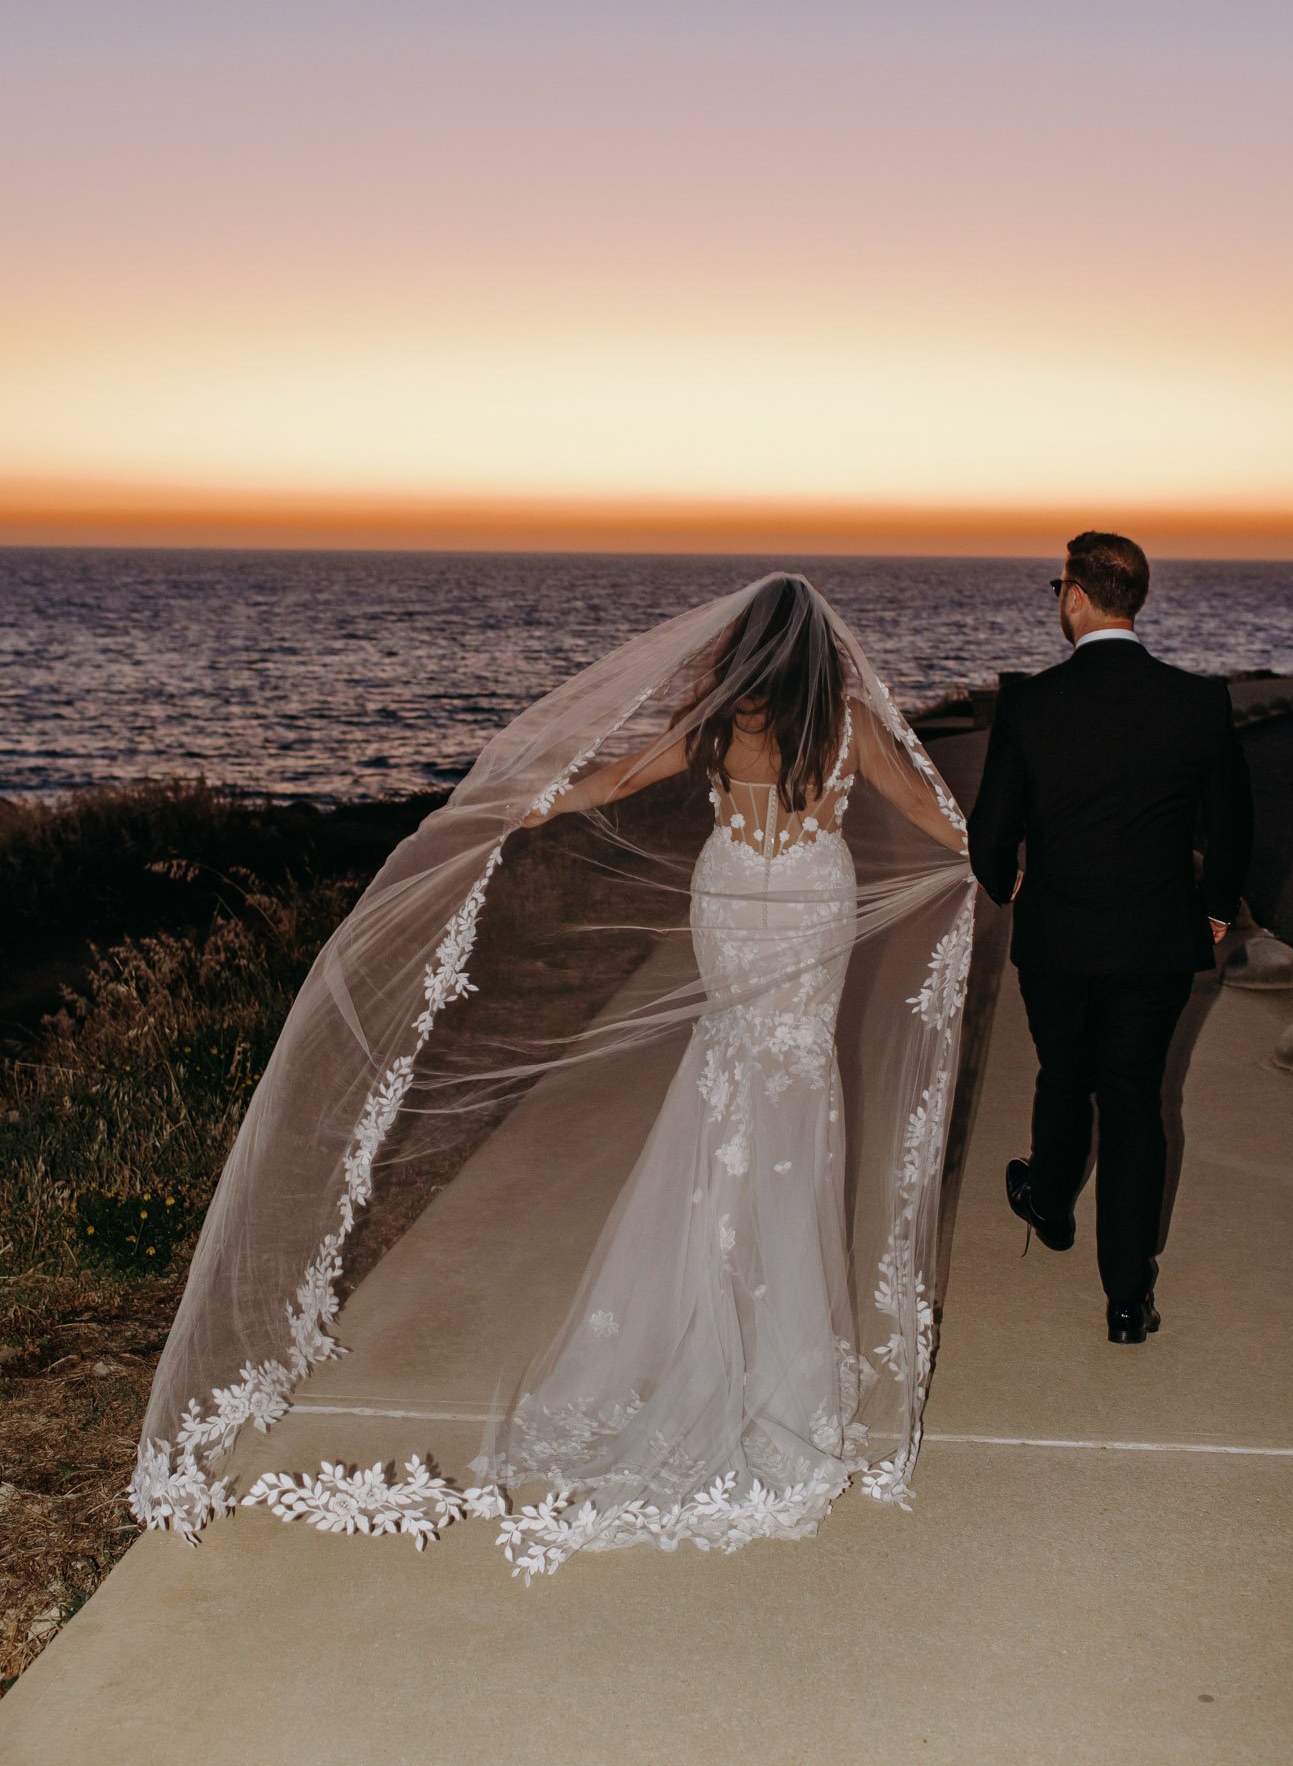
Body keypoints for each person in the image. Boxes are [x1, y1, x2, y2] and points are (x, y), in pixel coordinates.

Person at [130, 573, 979, 1580]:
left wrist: (510, 810)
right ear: (820, 652)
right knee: (796, 1083)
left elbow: (611, 780)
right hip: (808, 901)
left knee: (727, 1071)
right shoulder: (843, 725)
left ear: (747, 646)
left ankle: (721, 1306)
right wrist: (997, 856)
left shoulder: (713, 720)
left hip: (729, 901)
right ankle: (766, 1318)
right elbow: (933, 816)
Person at [967, 531, 1254, 1343]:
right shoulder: (1198, 701)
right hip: (1156, 941)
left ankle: (1050, 1203)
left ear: (1076, 597)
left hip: (1057, 935)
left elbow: (989, 836)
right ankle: (1126, 1299)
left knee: (1064, 1073)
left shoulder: (1027, 702)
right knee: (1133, 1100)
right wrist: (1212, 918)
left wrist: (1007, 886)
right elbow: (1232, 833)